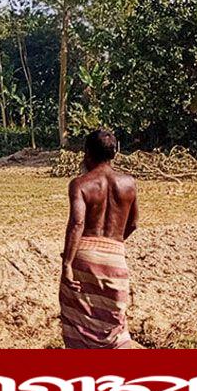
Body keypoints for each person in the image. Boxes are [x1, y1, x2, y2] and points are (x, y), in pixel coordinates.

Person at [60, 129, 139, 349]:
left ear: (86, 153)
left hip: (83, 255)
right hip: (116, 258)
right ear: (116, 152)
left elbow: (77, 224)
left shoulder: (80, 184)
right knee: (115, 325)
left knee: (79, 322)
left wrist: (67, 263)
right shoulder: (129, 183)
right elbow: (133, 224)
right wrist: (110, 247)